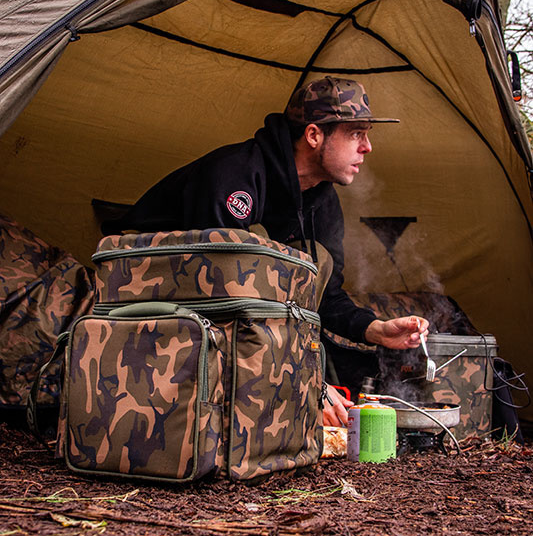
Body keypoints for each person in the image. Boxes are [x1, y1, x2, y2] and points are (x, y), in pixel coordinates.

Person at [103, 76, 429, 426]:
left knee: (312, 263)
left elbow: (322, 296)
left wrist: (375, 329)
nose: (367, 147)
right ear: (314, 135)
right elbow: (219, 301)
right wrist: (306, 385)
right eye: (355, 134)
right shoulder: (235, 177)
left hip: (223, 320)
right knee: (251, 247)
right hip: (145, 302)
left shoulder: (323, 201)